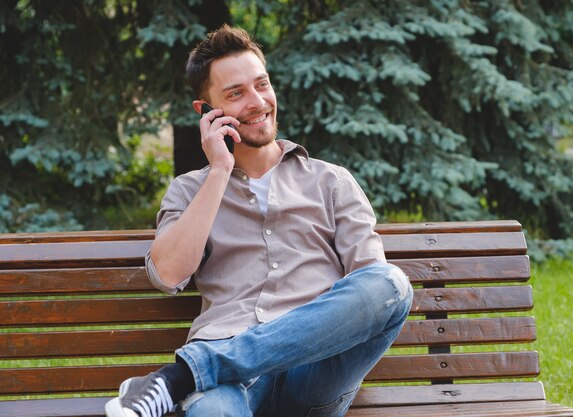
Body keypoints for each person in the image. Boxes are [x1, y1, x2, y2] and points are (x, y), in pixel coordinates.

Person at [105, 24, 413, 417]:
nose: (256, 102)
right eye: (235, 94)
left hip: (313, 375)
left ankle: (182, 377)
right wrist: (219, 169)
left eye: (261, 85)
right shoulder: (188, 190)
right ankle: (202, 374)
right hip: (228, 385)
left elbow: (372, 299)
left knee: (391, 284)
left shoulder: (331, 182)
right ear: (206, 112)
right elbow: (167, 276)